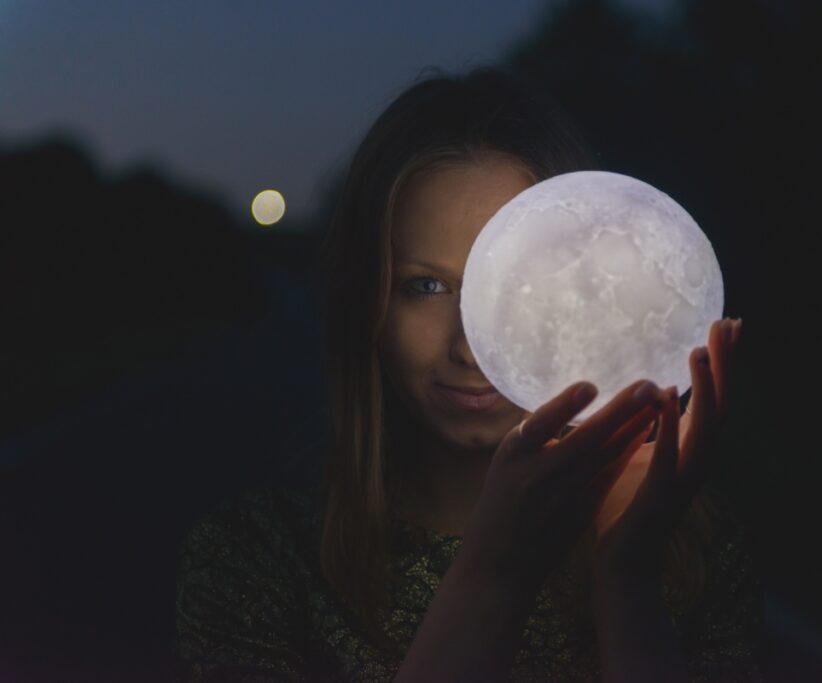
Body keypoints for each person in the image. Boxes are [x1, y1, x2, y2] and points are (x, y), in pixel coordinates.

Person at [174, 65, 764, 682]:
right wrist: (495, 575)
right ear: (366, 303)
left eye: (520, 286)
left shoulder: (696, 562)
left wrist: (628, 581)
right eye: (425, 285)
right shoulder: (254, 561)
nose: (472, 347)